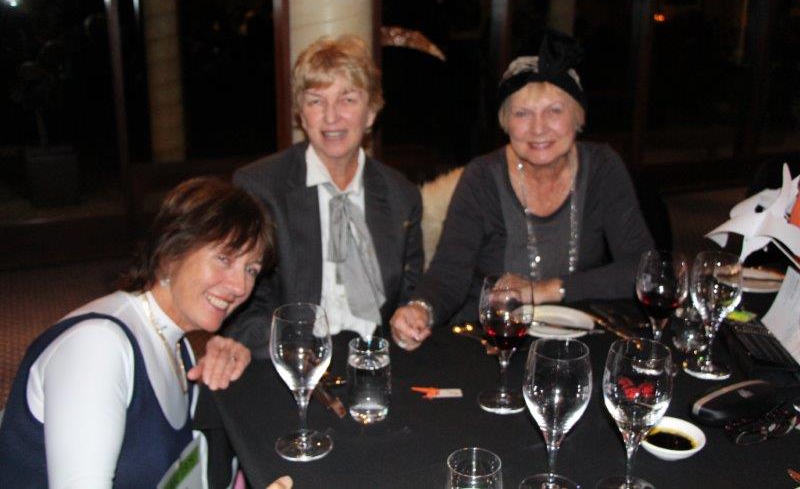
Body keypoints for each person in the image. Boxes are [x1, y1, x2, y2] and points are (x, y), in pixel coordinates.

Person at [0, 177, 291, 488]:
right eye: (224, 258)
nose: (240, 286)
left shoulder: (177, 344)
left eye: (251, 269)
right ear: (171, 253)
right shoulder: (97, 347)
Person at [390, 31, 655, 350]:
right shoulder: (482, 177)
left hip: (576, 341)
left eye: (554, 111)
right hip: (489, 338)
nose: (538, 128)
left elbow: (642, 269)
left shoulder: (602, 168)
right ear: (506, 122)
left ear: (577, 117)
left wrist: (543, 290)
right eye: (522, 113)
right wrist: (421, 309)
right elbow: (449, 271)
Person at [223, 35, 423, 354]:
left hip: (375, 358)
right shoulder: (260, 189)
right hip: (292, 359)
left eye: (348, 99)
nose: (331, 117)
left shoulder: (402, 195)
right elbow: (238, 306)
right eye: (316, 101)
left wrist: (409, 320)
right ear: (301, 115)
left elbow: (409, 295)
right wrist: (296, 349)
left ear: (371, 112)